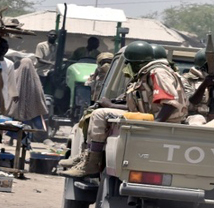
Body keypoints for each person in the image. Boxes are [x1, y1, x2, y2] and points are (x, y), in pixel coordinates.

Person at [61, 41, 188, 178]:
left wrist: (155, 126)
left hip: (158, 120)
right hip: (150, 116)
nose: (128, 66)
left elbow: (169, 102)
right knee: (96, 112)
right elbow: (138, 105)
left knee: (99, 114)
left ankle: (92, 163)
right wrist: (112, 105)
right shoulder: (147, 73)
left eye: (130, 63)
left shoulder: (157, 72)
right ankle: (87, 155)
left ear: (137, 62)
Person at [6, 58, 49, 128]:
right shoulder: (34, 77)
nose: (26, 68)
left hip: (21, 106)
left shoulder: (16, 74)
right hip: (28, 106)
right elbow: (39, 92)